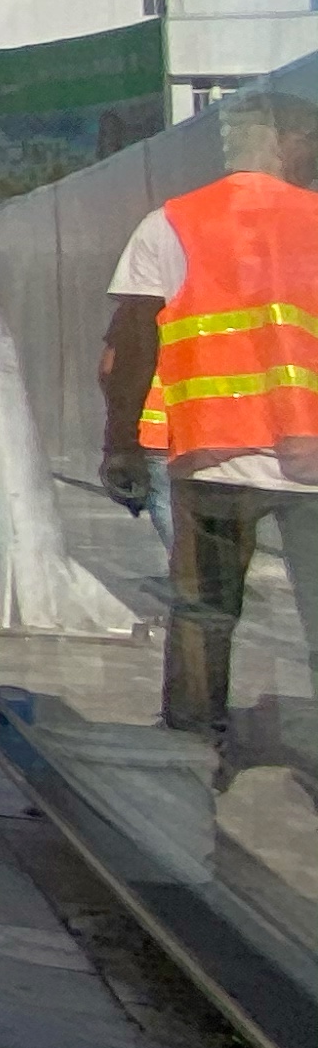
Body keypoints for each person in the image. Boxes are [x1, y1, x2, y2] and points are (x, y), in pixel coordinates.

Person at [99, 93, 318, 758]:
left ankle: (194, 751)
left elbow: (125, 351)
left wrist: (121, 446)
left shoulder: (170, 224)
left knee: (202, 613)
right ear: (286, 141)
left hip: (211, 460)